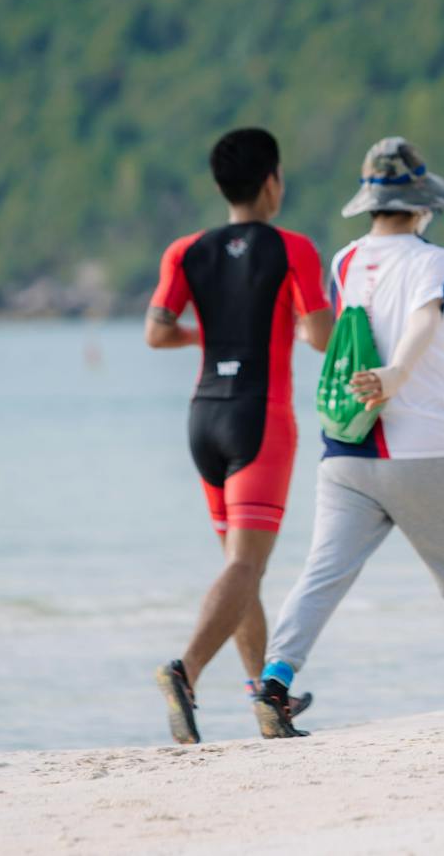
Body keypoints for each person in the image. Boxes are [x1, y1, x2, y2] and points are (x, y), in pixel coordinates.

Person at [252, 137, 444, 737]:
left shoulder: (344, 260)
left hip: (346, 453)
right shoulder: (431, 259)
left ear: (371, 204)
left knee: (322, 573)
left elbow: (372, 327)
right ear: (421, 203)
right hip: (421, 452)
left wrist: (440, 349)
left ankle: (275, 682)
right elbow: (418, 320)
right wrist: (399, 374)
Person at [145, 127, 334, 744]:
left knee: (239, 566)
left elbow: (157, 331)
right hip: (261, 417)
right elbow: (320, 336)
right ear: (272, 181)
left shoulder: (185, 251)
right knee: (247, 566)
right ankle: (186, 670)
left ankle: (265, 703)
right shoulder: (293, 249)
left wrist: (214, 336)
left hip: (204, 418)